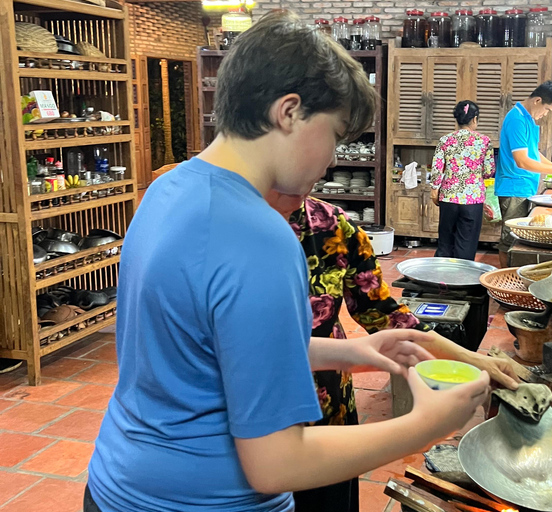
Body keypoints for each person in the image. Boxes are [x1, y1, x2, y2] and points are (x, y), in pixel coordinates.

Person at [84, 12, 490, 512]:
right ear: (289, 112)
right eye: (335, 135)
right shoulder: (260, 236)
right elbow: (276, 464)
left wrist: (353, 352)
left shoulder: (168, 188)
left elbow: (211, 350)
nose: (332, 160)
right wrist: (424, 425)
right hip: (204, 502)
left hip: (118, 485)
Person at [264, 193, 521, 512]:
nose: (330, 160)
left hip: (326, 403)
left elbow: (383, 313)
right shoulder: (215, 230)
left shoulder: (330, 225)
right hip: (256, 423)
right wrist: (424, 427)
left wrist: (473, 360)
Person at [495, 81, 552, 267]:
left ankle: (513, 275)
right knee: (510, 239)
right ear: (537, 100)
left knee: (517, 238)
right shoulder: (517, 119)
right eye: (546, 109)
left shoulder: (529, 119)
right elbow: (522, 161)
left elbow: (534, 153)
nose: (545, 114)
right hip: (514, 187)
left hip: (525, 186)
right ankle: (505, 278)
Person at [430, 100, 496, 261]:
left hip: (448, 197)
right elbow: (489, 172)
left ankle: (440, 280)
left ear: (457, 120)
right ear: (474, 119)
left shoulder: (445, 140)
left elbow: (437, 169)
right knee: (466, 244)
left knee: (445, 242)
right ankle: (462, 282)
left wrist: (434, 190)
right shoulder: (484, 141)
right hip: (472, 200)